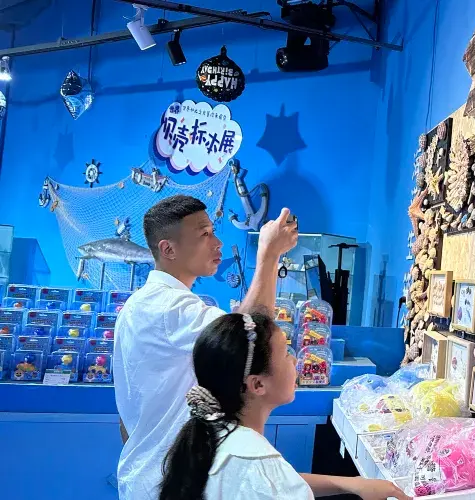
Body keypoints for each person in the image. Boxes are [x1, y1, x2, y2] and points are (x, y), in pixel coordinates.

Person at [114, 195, 299, 499]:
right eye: (204, 234)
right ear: (168, 249)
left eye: (213, 231)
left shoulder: (140, 304)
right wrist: (269, 254)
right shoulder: (170, 306)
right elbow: (249, 334)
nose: (218, 243)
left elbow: (127, 412)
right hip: (167, 480)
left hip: (149, 474)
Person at [159, 312, 410, 500]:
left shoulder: (214, 434)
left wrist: (351, 484)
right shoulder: (256, 464)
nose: (295, 360)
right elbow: (270, 480)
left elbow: (280, 480)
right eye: (285, 353)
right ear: (257, 384)